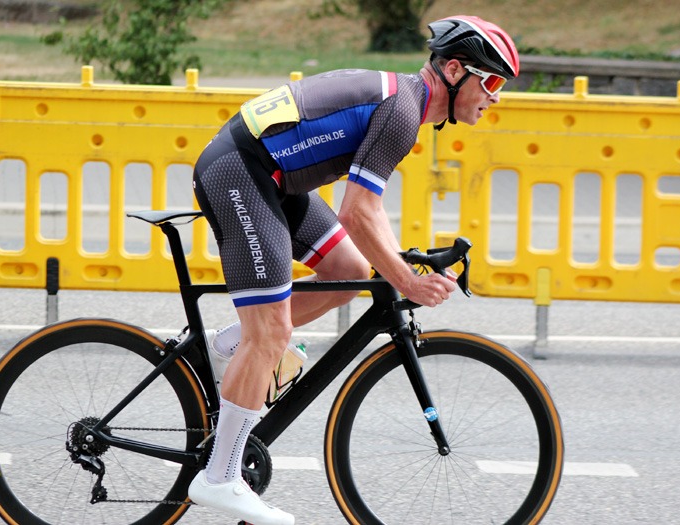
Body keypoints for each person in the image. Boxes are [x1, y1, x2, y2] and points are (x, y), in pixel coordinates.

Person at [188, 14, 520, 525]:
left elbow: (370, 211)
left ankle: (230, 345)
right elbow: (356, 213)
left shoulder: (405, 103)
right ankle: (219, 477)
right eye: (492, 82)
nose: (495, 97)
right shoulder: (403, 111)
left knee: (348, 269)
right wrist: (407, 283)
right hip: (241, 172)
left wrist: (398, 262)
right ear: (455, 71)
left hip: (269, 174)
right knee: (272, 333)